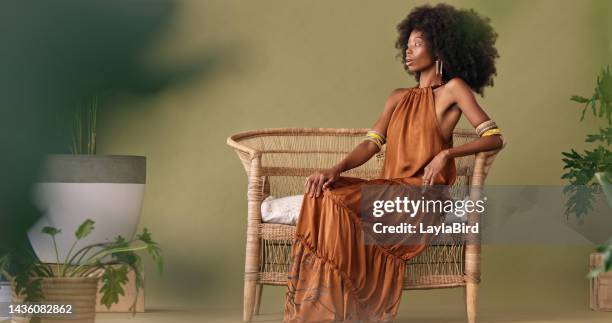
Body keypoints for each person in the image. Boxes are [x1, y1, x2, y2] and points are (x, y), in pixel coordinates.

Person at [284, 3, 505, 322]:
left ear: (439, 47)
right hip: (387, 190)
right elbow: (370, 145)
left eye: (417, 43)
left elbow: (494, 136)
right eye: (407, 44)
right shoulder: (397, 96)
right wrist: (335, 169)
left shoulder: (453, 91)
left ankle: (339, 308)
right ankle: (330, 310)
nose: (408, 51)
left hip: (421, 198)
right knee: (324, 193)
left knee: (333, 200)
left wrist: (446, 154)